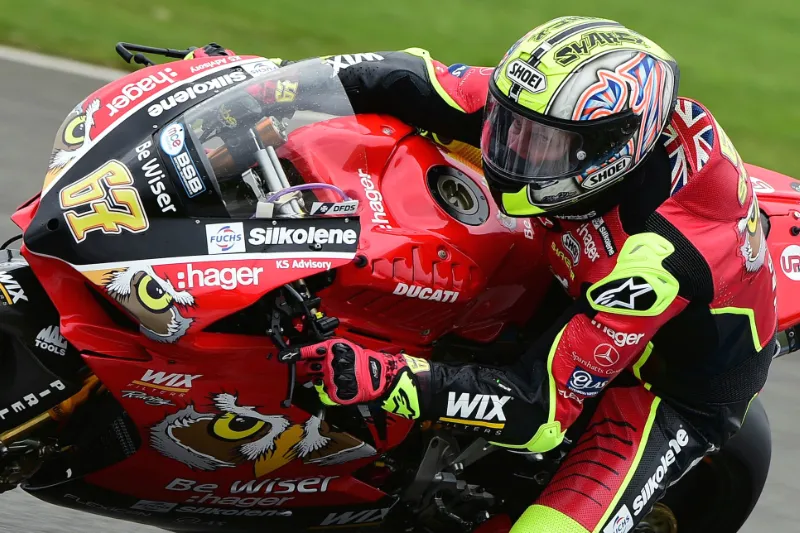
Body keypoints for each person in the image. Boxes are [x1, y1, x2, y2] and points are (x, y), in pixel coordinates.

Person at [193, 16, 777, 532]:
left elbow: (539, 412)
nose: (511, 151)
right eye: (511, 126)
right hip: (574, 262)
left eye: (539, 144)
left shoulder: (657, 260)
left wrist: (392, 380)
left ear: (612, 150)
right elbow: (419, 78)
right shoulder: (561, 112)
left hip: (660, 387)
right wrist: (265, 88)